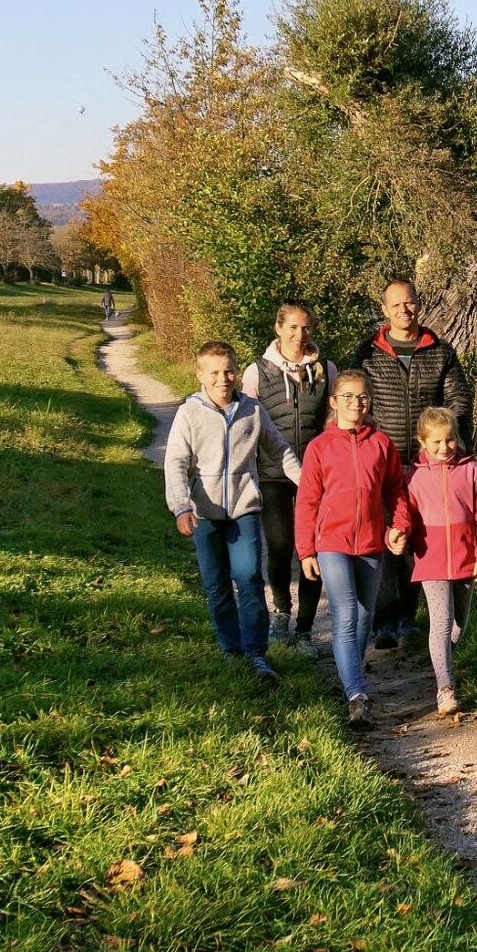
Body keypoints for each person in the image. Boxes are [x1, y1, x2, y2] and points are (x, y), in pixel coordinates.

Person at [163, 340, 301, 680]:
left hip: (244, 509)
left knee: (249, 578)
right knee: (217, 584)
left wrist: (307, 484)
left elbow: (280, 450)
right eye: (214, 372)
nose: (223, 379)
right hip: (205, 513)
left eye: (228, 371)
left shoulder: (252, 410)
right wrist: (181, 507)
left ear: (237, 371)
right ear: (199, 374)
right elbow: (176, 462)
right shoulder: (189, 413)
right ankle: (230, 649)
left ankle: (256, 653)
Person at [353, 278, 471, 651]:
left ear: (418, 304)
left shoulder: (440, 352)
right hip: (382, 462)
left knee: (420, 540)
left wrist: (450, 447)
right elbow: (354, 401)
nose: (404, 310)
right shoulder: (368, 353)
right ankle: (384, 622)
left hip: (426, 466)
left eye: (410, 302)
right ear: (385, 310)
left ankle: (409, 617)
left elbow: (459, 401)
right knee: (387, 539)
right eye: (396, 304)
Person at [296, 370, 410, 725]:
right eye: (348, 396)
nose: (356, 403)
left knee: (363, 616)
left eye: (362, 397)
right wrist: (306, 551)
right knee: (345, 615)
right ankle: (357, 695)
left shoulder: (381, 444)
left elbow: (396, 491)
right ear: (333, 401)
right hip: (332, 541)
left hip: (371, 543)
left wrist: (399, 526)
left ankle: (351, 676)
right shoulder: (319, 447)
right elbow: (307, 501)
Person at [240, 301, 336, 649]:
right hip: (273, 473)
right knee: (280, 546)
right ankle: (281, 612)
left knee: (314, 548)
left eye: (306, 327)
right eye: (293, 327)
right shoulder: (257, 372)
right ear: (278, 328)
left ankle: (305, 628)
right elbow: (246, 425)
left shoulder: (326, 369)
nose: (300, 334)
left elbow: (333, 419)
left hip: (317, 474)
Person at [403, 407, 477, 715]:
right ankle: (445, 687)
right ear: (422, 442)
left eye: (450, 440)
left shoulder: (472, 472)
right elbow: (405, 514)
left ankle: (441, 661)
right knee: (441, 622)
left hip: (466, 557)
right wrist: (400, 534)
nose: (444, 447)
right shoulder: (414, 477)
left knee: (459, 624)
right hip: (430, 559)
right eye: (436, 442)